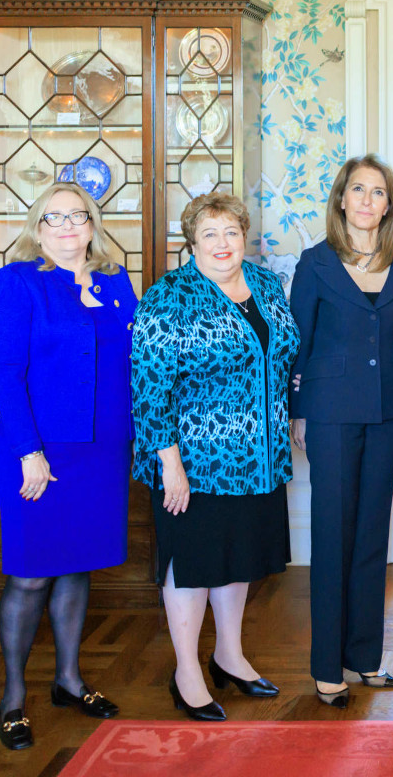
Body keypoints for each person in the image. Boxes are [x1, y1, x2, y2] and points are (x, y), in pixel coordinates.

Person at [131, 192, 300, 722]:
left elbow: (284, 356)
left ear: (244, 235)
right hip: (195, 464)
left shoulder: (267, 283)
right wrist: (169, 465)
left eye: (230, 231)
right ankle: (186, 672)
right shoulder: (169, 298)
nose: (223, 243)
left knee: (239, 558)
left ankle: (229, 655)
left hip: (258, 459)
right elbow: (148, 389)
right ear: (192, 243)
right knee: (193, 567)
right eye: (209, 234)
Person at [0, 183, 137, 751]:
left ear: (93, 223)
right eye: (55, 217)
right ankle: (13, 696)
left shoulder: (117, 282)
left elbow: (136, 358)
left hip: (102, 449)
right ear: (39, 226)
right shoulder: (21, 281)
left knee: (78, 567)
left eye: (78, 216)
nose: (68, 226)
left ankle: (69, 681)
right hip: (40, 452)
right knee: (29, 574)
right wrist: (29, 449)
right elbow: (5, 370)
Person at [289, 154, 393, 707]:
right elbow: (298, 339)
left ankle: (365, 658)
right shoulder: (315, 262)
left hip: (390, 409)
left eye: (379, 192)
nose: (368, 200)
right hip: (330, 411)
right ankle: (326, 665)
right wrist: (296, 409)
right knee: (333, 534)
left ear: (390, 205)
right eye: (358, 190)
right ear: (341, 198)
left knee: (373, 534)